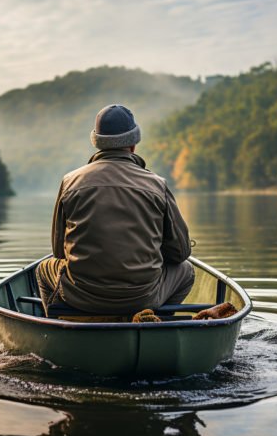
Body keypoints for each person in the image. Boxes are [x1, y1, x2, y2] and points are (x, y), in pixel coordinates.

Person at [36, 104, 194, 316]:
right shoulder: (157, 185)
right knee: (186, 271)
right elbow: (180, 253)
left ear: (97, 144)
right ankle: (155, 326)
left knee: (42, 269)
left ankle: (54, 327)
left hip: (82, 295)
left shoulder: (70, 182)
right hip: (143, 296)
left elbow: (58, 251)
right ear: (133, 145)